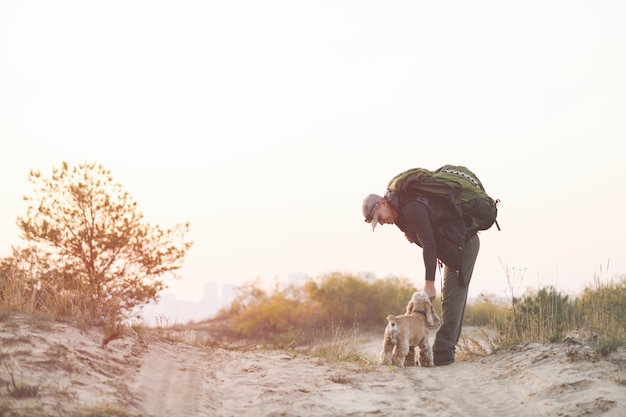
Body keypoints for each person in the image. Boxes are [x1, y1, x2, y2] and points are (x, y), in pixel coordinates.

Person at [362, 186, 480, 366]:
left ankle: (442, 355)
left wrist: (429, 283)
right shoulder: (401, 213)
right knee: (452, 297)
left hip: (463, 245)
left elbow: (430, 245)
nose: (383, 222)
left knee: (452, 298)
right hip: (453, 248)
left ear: (383, 202)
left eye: (380, 216)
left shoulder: (411, 208)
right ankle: (444, 352)